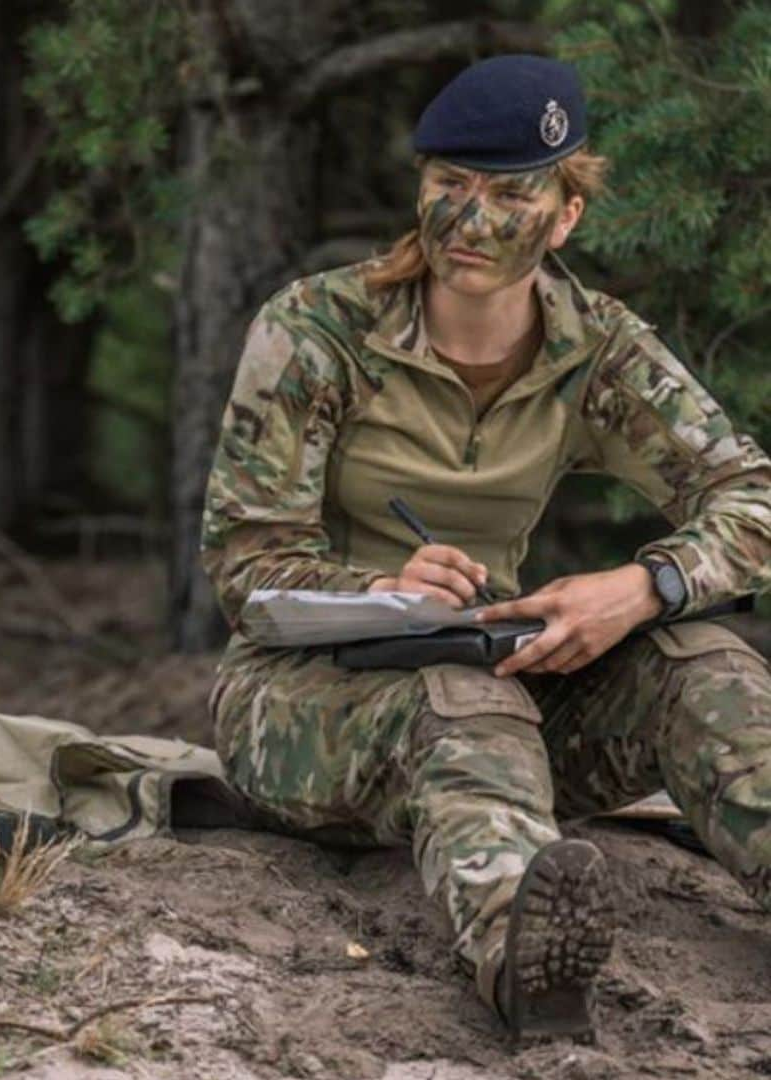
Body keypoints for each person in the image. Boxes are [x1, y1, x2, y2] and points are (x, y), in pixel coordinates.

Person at [199, 54, 771, 1039]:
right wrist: (382, 589)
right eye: (448, 185)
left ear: (564, 217)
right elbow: (247, 575)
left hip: (497, 678)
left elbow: (752, 494)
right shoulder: (319, 330)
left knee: (708, 661)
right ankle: (527, 965)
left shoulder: (596, 351)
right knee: (464, 704)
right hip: (299, 698)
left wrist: (644, 586)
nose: (469, 220)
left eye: (509, 194)